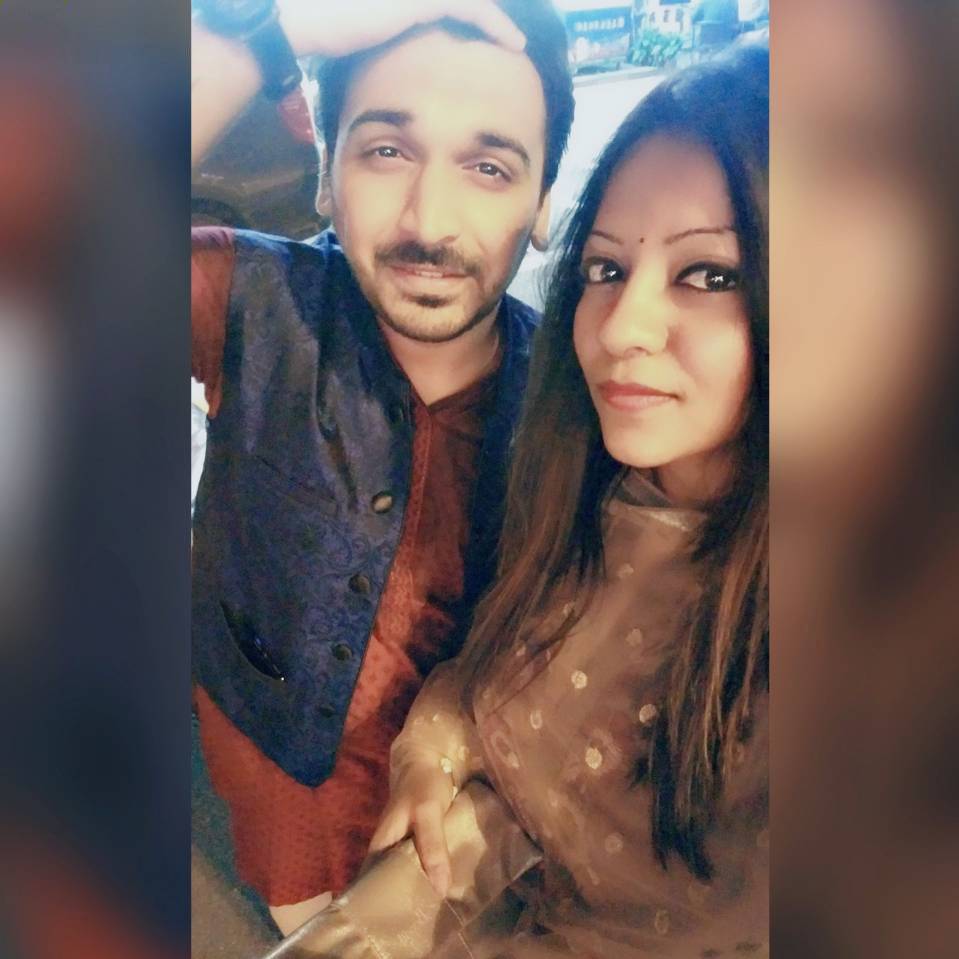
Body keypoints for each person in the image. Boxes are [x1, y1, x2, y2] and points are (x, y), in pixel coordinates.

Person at [281, 44, 769, 958]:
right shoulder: (588, 491)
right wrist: (432, 755)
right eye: (605, 270)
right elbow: (496, 673)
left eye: (710, 274)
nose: (621, 328)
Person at [189, 0, 574, 936]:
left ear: (541, 206)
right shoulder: (245, 294)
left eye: (489, 167)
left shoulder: (577, 400)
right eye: (386, 150)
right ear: (326, 172)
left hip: (464, 806)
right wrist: (264, 36)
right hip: (273, 768)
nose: (428, 220)